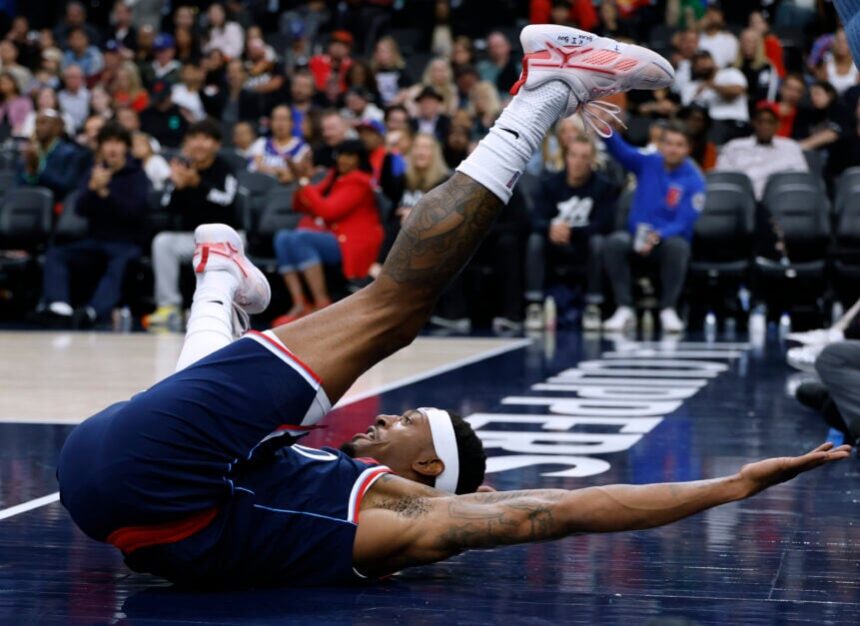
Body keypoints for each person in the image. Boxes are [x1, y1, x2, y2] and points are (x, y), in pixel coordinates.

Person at [56, 24, 851, 589]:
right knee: (232, 409)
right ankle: (220, 271)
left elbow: (561, 512)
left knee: (394, 311)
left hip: (138, 483)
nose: (388, 420)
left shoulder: (405, 521)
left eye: (408, 427)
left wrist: (731, 486)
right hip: (123, 490)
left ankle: (543, 89)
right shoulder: (329, 470)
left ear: (427, 471)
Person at [38, 123, 148, 329]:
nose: (112, 148)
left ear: (125, 147)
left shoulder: (136, 175)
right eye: (107, 143)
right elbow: (80, 209)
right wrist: (91, 189)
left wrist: (106, 193)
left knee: (121, 261)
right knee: (56, 253)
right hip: (95, 239)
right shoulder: (94, 172)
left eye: (117, 143)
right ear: (100, 147)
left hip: (126, 242)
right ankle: (60, 307)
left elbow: (136, 213)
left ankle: (94, 311)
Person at [601, 121, 705, 333]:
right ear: (660, 145)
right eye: (668, 143)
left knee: (679, 247)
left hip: (666, 242)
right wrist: (604, 127)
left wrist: (658, 236)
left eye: (679, 144)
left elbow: (685, 221)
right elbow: (620, 151)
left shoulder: (694, 179)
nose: (673, 149)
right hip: (637, 237)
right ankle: (624, 307)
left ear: (688, 148)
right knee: (615, 243)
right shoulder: (648, 162)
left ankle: (668, 309)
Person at [270, 139, 382, 326]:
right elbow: (300, 204)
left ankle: (321, 303)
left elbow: (327, 211)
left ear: (359, 159)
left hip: (354, 244)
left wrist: (304, 181)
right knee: (282, 238)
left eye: (349, 156)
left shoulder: (359, 182)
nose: (343, 160)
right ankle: (300, 304)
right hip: (335, 238)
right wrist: (301, 180)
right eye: (341, 155)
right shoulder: (334, 176)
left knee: (300, 238)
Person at [145, 120, 239, 329]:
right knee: (162, 242)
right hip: (194, 239)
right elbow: (166, 206)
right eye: (194, 138)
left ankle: (221, 310)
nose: (199, 144)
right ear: (187, 143)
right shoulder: (183, 168)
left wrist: (198, 184)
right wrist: (179, 187)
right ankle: (168, 306)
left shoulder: (225, 168)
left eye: (205, 139)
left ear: (216, 144)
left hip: (226, 240)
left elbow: (227, 201)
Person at [525, 134, 617, 331]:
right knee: (535, 241)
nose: (578, 162)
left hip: (585, 245)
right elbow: (535, 219)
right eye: (574, 155)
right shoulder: (550, 184)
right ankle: (534, 304)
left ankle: (593, 305)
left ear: (592, 160)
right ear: (566, 157)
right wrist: (550, 228)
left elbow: (604, 224)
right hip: (554, 243)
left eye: (584, 157)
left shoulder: (603, 186)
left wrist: (570, 231)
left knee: (599, 242)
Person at [716, 102, 808, 201]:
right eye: (760, 121)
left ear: (777, 125)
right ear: (753, 123)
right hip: (741, 200)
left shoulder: (790, 147)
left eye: (770, 122)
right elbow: (722, 177)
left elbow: (802, 179)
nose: (765, 126)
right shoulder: (734, 146)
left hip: (780, 201)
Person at [680, 50, 749, 144]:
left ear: (713, 61)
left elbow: (737, 91)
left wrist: (712, 86)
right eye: (697, 62)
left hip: (734, 122)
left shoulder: (730, 73)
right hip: (709, 126)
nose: (701, 64)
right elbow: (687, 109)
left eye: (704, 59)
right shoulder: (691, 86)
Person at [19, 109, 83, 199]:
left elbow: (66, 186)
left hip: (56, 205)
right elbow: (18, 186)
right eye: (36, 123)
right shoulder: (30, 153)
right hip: (27, 202)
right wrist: (30, 172)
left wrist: (38, 171)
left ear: (57, 127)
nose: (38, 127)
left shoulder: (70, 153)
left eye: (43, 123)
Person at [247, 104, 310, 183]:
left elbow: (298, 175)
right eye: (276, 119)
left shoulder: (303, 147)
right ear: (270, 123)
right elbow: (254, 167)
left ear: (292, 123)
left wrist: (267, 169)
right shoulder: (261, 143)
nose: (280, 124)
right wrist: (279, 171)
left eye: (284, 119)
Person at [139, 79, 189, 149]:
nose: (162, 103)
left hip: (177, 150)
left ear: (170, 95)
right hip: (153, 152)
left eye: (163, 99)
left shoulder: (181, 112)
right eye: (159, 100)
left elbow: (189, 135)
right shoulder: (145, 114)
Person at [309, 30, 354, 94]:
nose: (338, 48)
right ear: (329, 46)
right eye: (335, 44)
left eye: (343, 45)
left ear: (348, 49)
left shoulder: (352, 66)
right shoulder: (316, 62)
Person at [476, 31, 520, 97]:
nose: (497, 50)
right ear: (488, 49)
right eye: (493, 47)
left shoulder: (519, 67)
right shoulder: (481, 68)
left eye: (500, 46)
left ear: (508, 46)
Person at [58, 64, 90, 132]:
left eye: (76, 77)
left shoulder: (89, 96)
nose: (73, 80)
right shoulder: (59, 97)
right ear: (65, 79)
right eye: (70, 77)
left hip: (85, 130)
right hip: (65, 131)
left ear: (82, 79)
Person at [0, 70, 32, 137]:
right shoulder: (1, 103)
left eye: (6, 82)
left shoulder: (24, 102)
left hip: (17, 135)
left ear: (14, 83)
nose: (3, 84)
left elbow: (27, 121)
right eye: (1, 82)